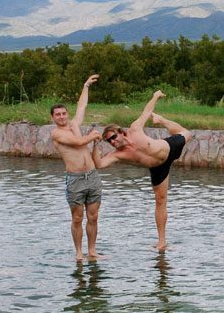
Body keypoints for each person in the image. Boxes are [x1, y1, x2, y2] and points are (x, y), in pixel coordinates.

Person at [92, 90, 192, 251]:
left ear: (121, 132)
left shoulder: (135, 129)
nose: (112, 142)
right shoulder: (117, 155)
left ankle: (162, 120)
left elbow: (146, 111)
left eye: (113, 137)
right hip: (159, 167)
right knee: (160, 201)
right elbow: (99, 164)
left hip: (169, 148)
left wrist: (155, 96)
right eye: (109, 141)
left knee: (187, 133)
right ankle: (162, 241)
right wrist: (94, 144)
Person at [50, 74, 103, 260]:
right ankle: (79, 253)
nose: (62, 116)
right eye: (58, 114)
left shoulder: (74, 125)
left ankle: (92, 250)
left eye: (64, 113)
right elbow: (77, 142)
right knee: (77, 218)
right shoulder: (56, 134)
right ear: (53, 117)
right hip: (75, 179)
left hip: (92, 176)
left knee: (94, 217)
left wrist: (86, 84)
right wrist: (93, 136)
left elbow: (82, 106)